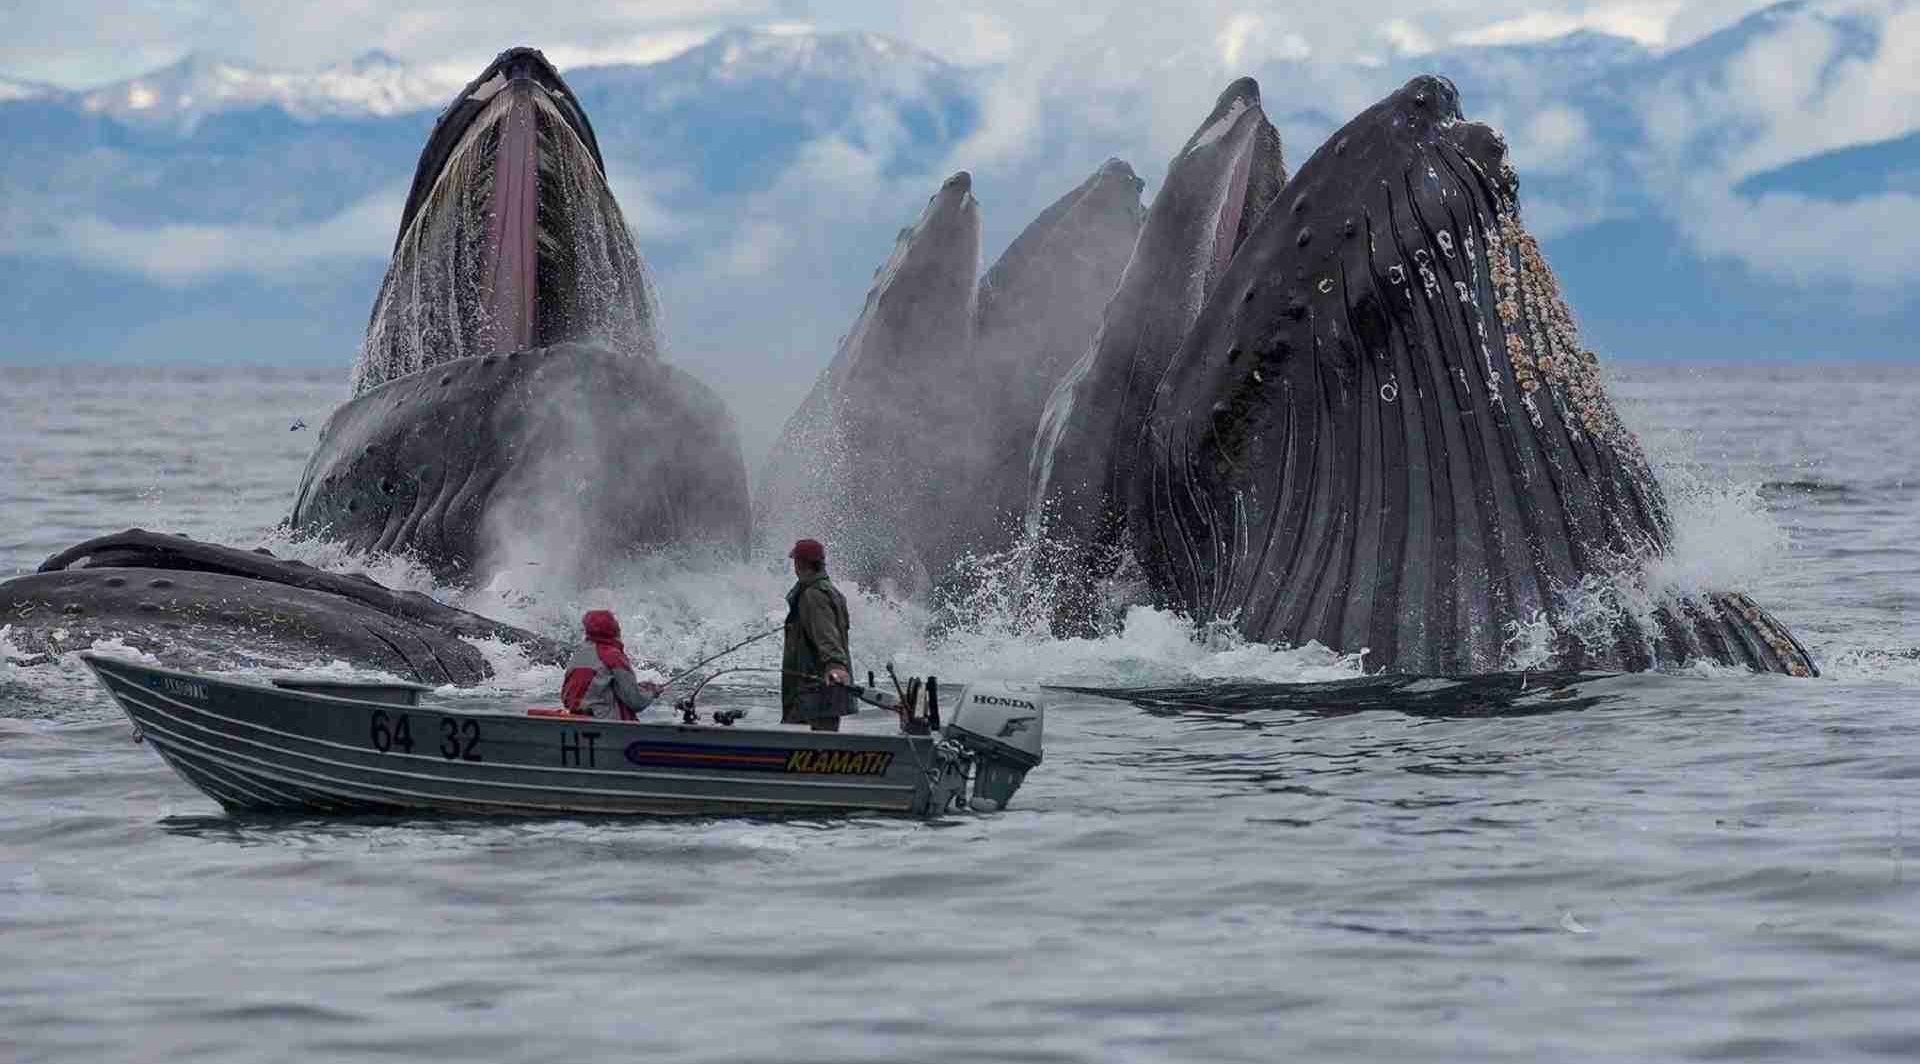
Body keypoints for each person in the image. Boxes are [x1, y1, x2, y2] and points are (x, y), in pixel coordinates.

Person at [782, 538, 852, 731]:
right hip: (824, 689)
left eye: (796, 562)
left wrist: (835, 665)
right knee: (823, 748)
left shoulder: (813, 595)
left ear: (801, 563)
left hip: (815, 689)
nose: (795, 568)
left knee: (810, 751)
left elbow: (826, 634)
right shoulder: (831, 591)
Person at [561, 609, 662, 720]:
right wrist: (652, 693)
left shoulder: (579, 653)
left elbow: (594, 688)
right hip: (603, 721)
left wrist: (639, 688)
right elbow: (636, 702)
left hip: (573, 716)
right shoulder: (613, 656)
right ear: (615, 629)